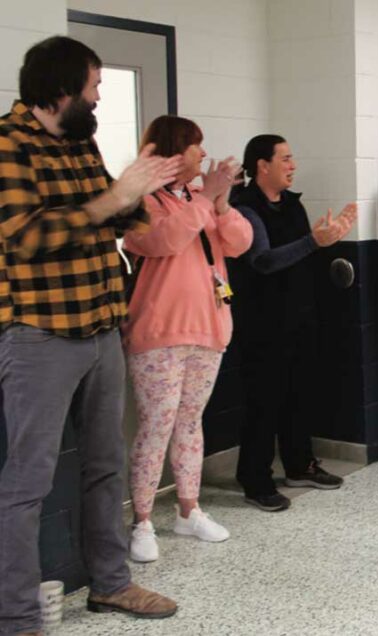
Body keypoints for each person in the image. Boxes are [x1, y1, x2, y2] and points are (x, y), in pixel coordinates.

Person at [0, 36, 180, 632]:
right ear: (62, 87)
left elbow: (118, 212)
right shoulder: (6, 143)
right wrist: (114, 200)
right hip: (39, 334)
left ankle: (109, 585)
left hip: (102, 325)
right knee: (27, 481)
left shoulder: (79, 141)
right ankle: (18, 616)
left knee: (106, 463)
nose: (99, 95)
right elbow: (26, 236)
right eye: (94, 84)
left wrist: (138, 192)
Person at [121, 116, 253, 561]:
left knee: (191, 423)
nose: (203, 154)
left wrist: (220, 203)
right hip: (159, 333)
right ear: (175, 152)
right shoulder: (142, 201)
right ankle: (140, 521)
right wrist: (205, 202)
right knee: (156, 424)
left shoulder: (203, 200)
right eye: (196, 147)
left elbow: (239, 242)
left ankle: (188, 510)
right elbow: (164, 240)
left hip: (210, 327)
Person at [230, 134, 355, 510]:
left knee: (300, 396)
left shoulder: (292, 206)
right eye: (285, 158)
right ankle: (254, 479)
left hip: (299, 316)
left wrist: (328, 240)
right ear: (262, 166)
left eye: (292, 157)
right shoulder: (244, 207)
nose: (293, 165)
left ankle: (299, 465)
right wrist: (315, 242)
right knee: (263, 403)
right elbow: (263, 260)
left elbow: (303, 256)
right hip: (262, 324)